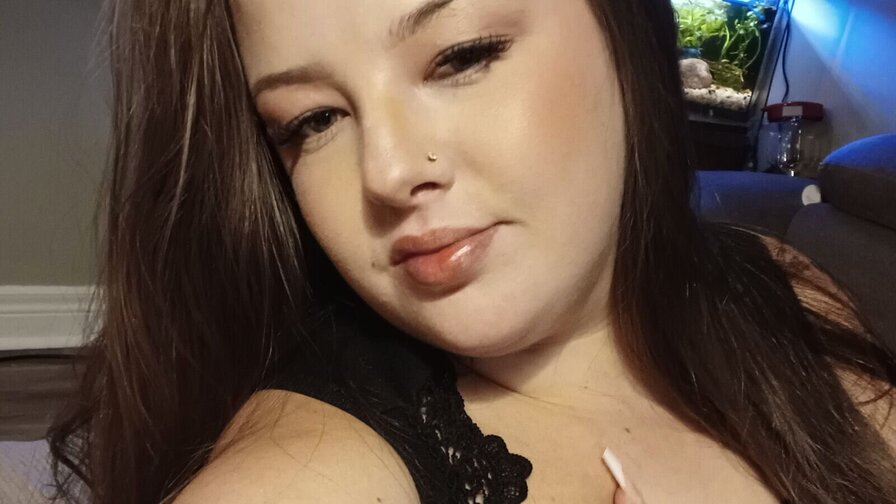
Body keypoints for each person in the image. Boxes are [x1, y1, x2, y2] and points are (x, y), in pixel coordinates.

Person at [48, 0, 896, 503]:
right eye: (312, 120)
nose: (386, 172)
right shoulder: (305, 471)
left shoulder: (783, 280)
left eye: (462, 56)